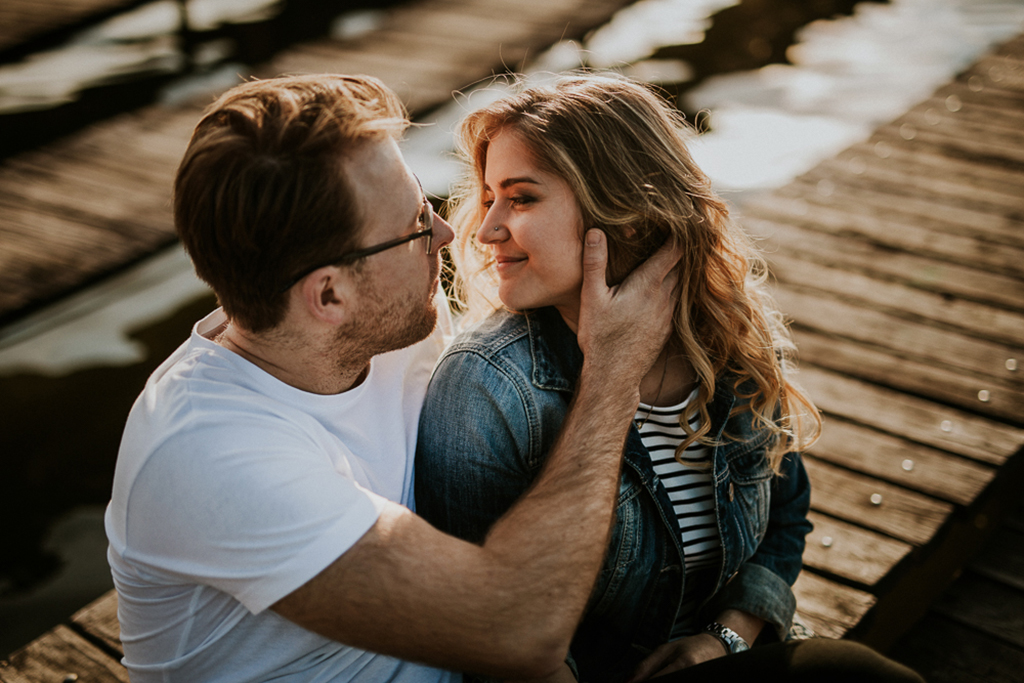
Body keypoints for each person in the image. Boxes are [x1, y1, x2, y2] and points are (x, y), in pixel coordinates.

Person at [104, 73, 686, 682]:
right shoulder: (211, 456)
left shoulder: (376, 331)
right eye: (413, 227)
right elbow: (517, 631)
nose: (446, 232)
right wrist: (614, 371)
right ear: (328, 294)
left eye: (426, 202)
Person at [415, 74, 924, 683]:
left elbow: (786, 514)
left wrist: (726, 636)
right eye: (490, 197)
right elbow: (487, 632)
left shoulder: (727, 339)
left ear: (627, 215)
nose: (485, 228)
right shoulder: (488, 387)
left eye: (521, 199)